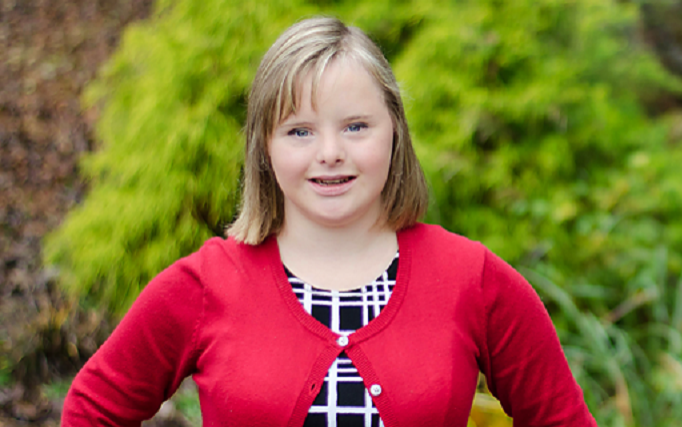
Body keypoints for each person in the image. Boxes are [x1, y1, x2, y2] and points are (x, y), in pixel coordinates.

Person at [62, 16, 596, 427]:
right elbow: (92, 410)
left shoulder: (470, 279)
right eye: (299, 131)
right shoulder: (206, 285)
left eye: (356, 126)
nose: (330, 152)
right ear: (264, 148)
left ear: (395, 132)